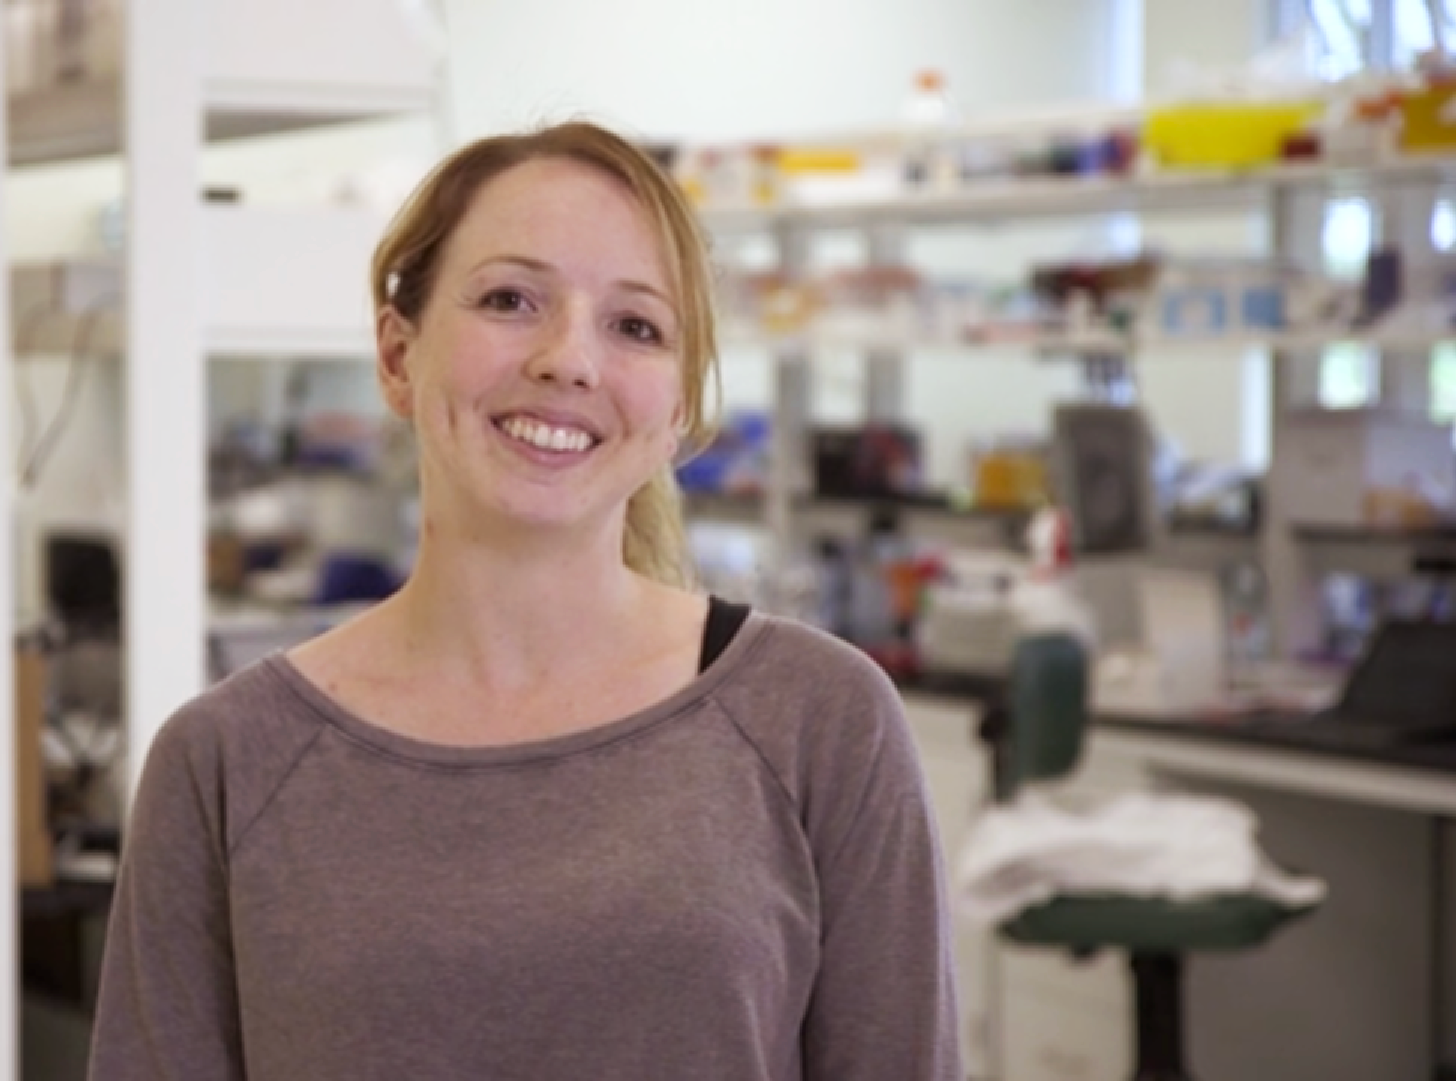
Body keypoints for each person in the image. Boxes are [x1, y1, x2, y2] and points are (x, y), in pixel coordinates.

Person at [88, 120, 961, 1080]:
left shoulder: (820, 720)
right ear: (396, 354)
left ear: (677, 408)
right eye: (510, 299)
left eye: (636, 326)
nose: (568, 360)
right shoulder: (226, 763)